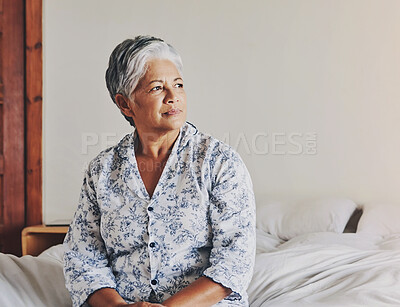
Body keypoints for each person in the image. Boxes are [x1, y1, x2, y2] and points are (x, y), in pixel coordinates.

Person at [63, 35, 256, 307]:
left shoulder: (220, 162)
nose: (173, 96)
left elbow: (235, 261)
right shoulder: (102, 170)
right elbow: (83, 259)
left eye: (178, 84)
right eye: (157, 88)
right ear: (125, 104)